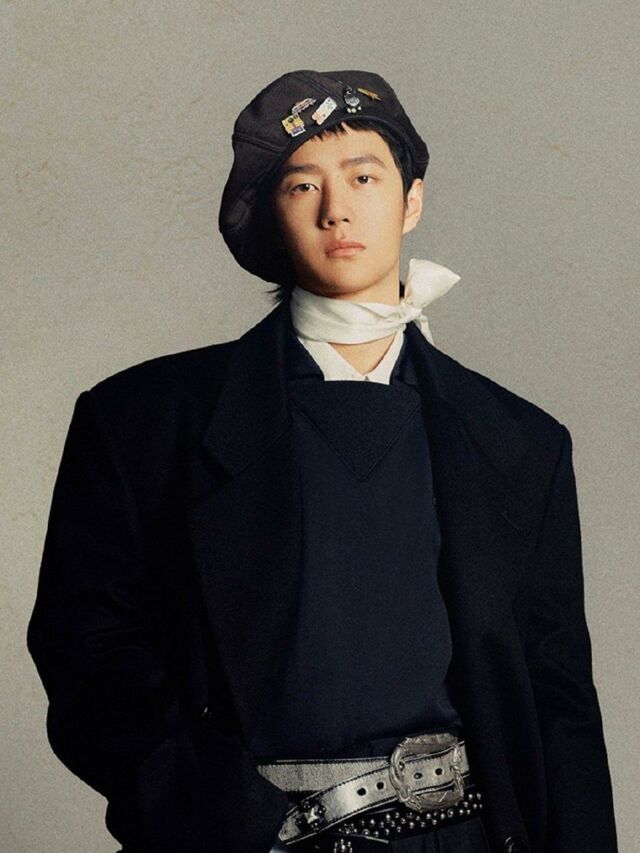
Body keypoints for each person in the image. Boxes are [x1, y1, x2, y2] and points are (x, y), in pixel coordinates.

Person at [26, 69, 618, 853]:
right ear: (273, 215)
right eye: (302, 184)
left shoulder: (522, 442)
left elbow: (561, 706)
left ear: (411, 200)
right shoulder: (141, 422)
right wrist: (216, 814)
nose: (336, 208)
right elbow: (87, 653)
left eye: (363, 177)